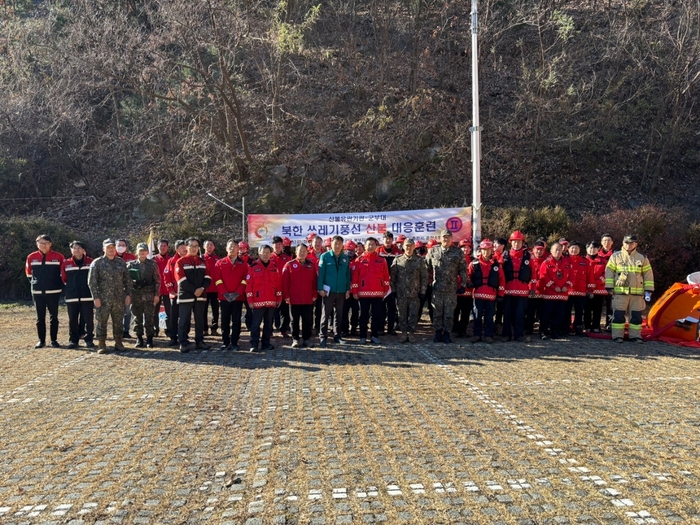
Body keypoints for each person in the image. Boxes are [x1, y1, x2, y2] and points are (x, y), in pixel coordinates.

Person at [605, 234, 654, 343]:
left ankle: (635, 336)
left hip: (637, 294)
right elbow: (609, 272)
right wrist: (609, 287)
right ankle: (618, 336)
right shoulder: (615, 256)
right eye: (626, 242)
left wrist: (648, 290)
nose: (628, 245)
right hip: (620, 293)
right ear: (623, 243)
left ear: (635, 244)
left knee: (636, 317)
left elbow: (648, 275)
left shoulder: (642, 258)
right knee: (618, 316)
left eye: (631, 243)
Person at [88, 238, 132, 353]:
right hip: (103, 299)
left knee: (118, 321)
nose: (111, 249)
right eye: (108, 247)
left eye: (112, 247)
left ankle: (118, 342)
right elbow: (92, 282)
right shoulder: (97, 263)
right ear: (104, 249)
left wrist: (128, 295)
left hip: (118, 298)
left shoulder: (121, 262)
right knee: (102, 321)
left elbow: (127, 280)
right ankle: (101, 344)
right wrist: (95, 297)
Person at [426, 229, 468, 343]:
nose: (446, 239)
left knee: (449, 313)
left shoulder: (458, 252)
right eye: (444, 237)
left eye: (448, 237)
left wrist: (463, 284)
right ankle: (438, 333)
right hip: (437, 289)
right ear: (440, 238)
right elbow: (426, 269)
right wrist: (426, 285)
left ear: (452, 239)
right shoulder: (433, 251)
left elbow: (463, 270)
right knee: (437, 312)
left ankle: (447, 334)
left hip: (451, 289)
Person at [26, 234, 65, 348]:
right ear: (37, 244)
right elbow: (28, 273)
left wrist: (59, 285)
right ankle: (41, 340)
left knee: (54, 317)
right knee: (40, 318)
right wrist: (35, 284)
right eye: (40, 243)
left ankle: (54, 340)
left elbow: (63, 273)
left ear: (50, 244)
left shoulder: (58, 256)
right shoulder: (31, 257)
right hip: (38, 292)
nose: (43, 245)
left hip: (54, 292)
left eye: (45, 243)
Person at [174, 237, 211, 353]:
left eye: (196, 246)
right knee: (184, 320)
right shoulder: (180, 262)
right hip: (186, 296)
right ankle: (183, 342)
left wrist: (202, 289)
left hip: (200, 295)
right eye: (192, 246)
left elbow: (208, 277)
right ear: (186, 247)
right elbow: (181, 280)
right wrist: (195, 290)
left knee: (200, 320)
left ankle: (199, 341)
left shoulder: (203, 261)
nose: (194, 248)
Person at [351, 237, 390, 344]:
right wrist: (354, 291)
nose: (371, 246)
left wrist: (385, 289)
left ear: (376, 246)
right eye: (369, 244)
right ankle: (363, 336)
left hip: (378, 293)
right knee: (363, 315)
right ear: (364, 246)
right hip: (363, 294)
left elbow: (386, 277)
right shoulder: (358, 260)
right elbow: (355, 278)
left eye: (373, 244)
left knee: (376, 315)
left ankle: (374, 335)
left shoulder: (382, 260)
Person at [390, 238, 429, 342]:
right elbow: (393, 278)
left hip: (414, 294)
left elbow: (424, 277)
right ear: (403, 247)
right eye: (407, 246)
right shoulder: (397, 260)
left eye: (411, 246)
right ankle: (403, 333)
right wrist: (393, 290)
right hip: (401, 293)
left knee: (413, 314)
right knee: (401, 314)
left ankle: (411, 333)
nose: (408, 248)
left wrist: (423, 291)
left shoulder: (419, 261)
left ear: (414, 247)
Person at [467, 239, 505, 343]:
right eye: (484, 250)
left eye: (488, 250)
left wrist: (500, 294)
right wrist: (469, 283)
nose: (486, 252)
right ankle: (477, 335)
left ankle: (489, 335)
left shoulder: (497, 265)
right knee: (477, 317)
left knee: (489, 317)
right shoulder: (474, 264)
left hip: (491, 297)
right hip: (478, 296)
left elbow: (502, 281)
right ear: (480, 250)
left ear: (492, 250)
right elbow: (467, 275)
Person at [213, 239, 248, 351]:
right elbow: (217, 280)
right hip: (224, 298)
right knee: (225, 320)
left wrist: (238, 292)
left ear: (238, 249)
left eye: (234, 246)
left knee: (236, 321)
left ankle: (234, 342)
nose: (232, 248)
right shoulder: (220, 263)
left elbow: (245, 280)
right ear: (226, 249)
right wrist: (225, 293)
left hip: (238, 298)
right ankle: (225, 342)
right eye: (230, 246)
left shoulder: (243, 264)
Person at [246, 244, 282, 352]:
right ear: (259, 253)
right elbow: (248, 286)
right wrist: (250, 300)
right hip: (258, 301)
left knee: (268, 324)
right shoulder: (253, 267)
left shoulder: (274, 268)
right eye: (263, 252)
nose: (265, 255)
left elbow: (278, 285)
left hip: (271, 301)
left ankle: (266, 343)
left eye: (267, 252)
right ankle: (254, 344)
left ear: (270, 254)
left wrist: (279, 298)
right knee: (256, 324)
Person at [318, 235, 352, 346]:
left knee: (339, 314)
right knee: (325, 314)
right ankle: (323, 337)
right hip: (328, 291)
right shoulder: (325, 256)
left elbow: (347, 275)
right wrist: (320, 288)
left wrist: (347, 289)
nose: (337, 246)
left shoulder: (345, 258)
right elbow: (321, 274)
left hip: (341, 290)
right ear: (331, 244)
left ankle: (337, 336)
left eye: (339, 244)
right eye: (335, 243)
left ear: (342, 245)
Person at [283, 242, 317, 348]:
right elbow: (285, 282)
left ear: (307, 252)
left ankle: (306, 339)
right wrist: (286, 296)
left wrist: (314, 294)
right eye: (299, 251)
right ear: (295, 252)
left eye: (304, 251)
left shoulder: (311, 265)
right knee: (294, 320)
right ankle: (296, 339)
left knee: (308, 319)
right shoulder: (289, 265)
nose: (302, 253)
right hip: (294, 298)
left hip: (307, 298)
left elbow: (314, 282)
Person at [127, 243, 161, 348]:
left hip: (149, 295)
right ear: (137, 252)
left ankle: (149, 338)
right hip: (136, 295)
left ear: (147, 252)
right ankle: (139, 338)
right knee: (137, 318)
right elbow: (126, 281)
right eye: (140, 251)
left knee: (149, 317)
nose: (142, 253)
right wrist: (133, 284)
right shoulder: (131, 265)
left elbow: (157, 281)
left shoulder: (152, 264)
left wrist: (157, 294)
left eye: (144, 251)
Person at [61, 241, 93, 349]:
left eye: (79, 248)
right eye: (74, 248)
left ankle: (89, 339)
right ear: (71, 250)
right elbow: (64, 279)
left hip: (87, 295)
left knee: (88, 319)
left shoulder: (91, 262)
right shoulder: (66, 263)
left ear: (83, 250)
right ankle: (73, 340)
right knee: (73, 319)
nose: (77, 250)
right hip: (72, 296)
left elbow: (93, 278)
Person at [501, 231, 532, 342]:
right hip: (508, 290)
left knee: (520, 314)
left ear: (522, 243)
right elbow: (499, 273)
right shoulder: (505, 255)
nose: (516, 244)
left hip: (522, 290)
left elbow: (533, 273)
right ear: (510, 243)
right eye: (514, 242)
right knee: (507, 314)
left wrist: (532, 288)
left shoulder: (528, 256)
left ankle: (519, 335)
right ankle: (506, 335)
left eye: (519, 242)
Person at [537, 242, 572, 340]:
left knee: (559, 315)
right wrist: (553, 286)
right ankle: (543, 331)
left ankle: (555, 332)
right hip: (549, 294)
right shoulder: (546, 263)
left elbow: (572, 277)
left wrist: (567, 286)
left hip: (562, 294)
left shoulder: (567, 263)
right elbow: (543, 277)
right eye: (555, 250)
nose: (558, 252)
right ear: (551, 251)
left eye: (560, 250)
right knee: (546, 314)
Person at [377, 231, 402, 335]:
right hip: (380, 285)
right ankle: (381, 328)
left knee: (392, 307)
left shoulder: (398, 252)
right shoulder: (378, 251)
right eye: (386, 239)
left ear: (392, 240)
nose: (388, 241)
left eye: (390, 239)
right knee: (381, 307)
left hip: (393, 285)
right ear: (382, 240)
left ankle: (391, 328)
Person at [164, 240, 187, 346]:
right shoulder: (171, 261)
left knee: (185, 316)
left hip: (186, 294)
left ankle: (184, 336)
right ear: (177, 249)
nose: (184, 249)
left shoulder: (189, 260)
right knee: (173, 317)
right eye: (182, 247)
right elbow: (166, 277)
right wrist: (171, 291)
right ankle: (173, 337)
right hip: (175, 294)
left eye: (185, 246)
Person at [271, 236, 293, 337]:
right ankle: (269, 329)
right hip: (271, 289)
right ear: (272, 246)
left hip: (284, 288)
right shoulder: (269, 257)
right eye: (275, 244)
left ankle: (283, 329)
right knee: (271, 311)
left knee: (285, 311)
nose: (277, 246)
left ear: (282, 245)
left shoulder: (287, 258)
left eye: (279, 244)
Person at [566, 241, 589, 336]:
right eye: (572, 248)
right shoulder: (565, 260)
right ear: (568, 249)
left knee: (579, 311)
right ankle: (566, 327)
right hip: (568, 291)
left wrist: (590, 289)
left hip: (581, 291)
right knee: (567, 310)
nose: (574, 250)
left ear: (579, 249)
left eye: (576, 248)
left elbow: (589, 276)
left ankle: (578, 327)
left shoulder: (585, 261)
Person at [525, 239, 547, 336]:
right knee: (530, 312)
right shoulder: (529, 260)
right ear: (533, 249)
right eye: (537, 249)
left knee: (543, 313)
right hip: (531, 291)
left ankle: (542, 331)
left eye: (541, 250)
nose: (539, 251)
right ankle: (528, 329)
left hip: (543, 291)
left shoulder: (547, 261)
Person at [116, 239, 137, 338]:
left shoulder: (131, 257)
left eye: (123, 245)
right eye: (119, 245)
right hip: (114, 288)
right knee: (116, 311)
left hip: (128, 288)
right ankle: (117, 330)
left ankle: (125, 330)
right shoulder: (111, 257)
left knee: (127, 311)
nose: (121, 246)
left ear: (126, 246)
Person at [452, 240, 474, 338]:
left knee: (466, 313)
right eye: (463, 247)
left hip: (468, 292)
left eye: (468, 247)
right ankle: (455, 330)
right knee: (455, 312)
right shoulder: (455, 260)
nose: (466, 249)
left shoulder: (474, 260)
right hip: (457, 291)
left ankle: (463, 330)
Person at [584, 241, 607, 332]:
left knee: (598, 309)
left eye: (594, 248)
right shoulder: (583, 261)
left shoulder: (604, 261)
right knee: (587, 309)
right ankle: (587, 326)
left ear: (598, 249)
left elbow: (606, 274)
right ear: (586, 249)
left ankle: (596, 326)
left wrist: (596, 282)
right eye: (590, 248)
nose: (592, 250)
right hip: (586, 289)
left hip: (599, 289)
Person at [341, 240, 360, 337]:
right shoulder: (341, 260)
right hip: (344, 290)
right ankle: (344, 329)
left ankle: (354, 328)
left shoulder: (358, 260)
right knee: (344, 311)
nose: (350, 252)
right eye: (348, 250)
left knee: (355, 311)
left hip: (355, 291)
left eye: (352, 250)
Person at [152, 239, 171, 337]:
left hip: (168, 290)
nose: (162, 247)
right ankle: (155, 329)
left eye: (164, 246)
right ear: (157, 247)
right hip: (156, 290)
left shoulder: (171, 260)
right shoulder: (153, 260)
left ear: (168, 247)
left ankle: (169, 329)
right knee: (155, 311)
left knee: (169, 311)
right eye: (161, 246)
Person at [203, 240, 221, 335]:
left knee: (215, 310)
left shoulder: (218, 259)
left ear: (214, 247)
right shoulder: (200, 259)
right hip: (204, 289)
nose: (209, 246)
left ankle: (214, 328)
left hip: (215, 289)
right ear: (204, 247)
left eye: (211, 244)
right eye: (207, 245)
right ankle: (204, 329)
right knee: (203, 310)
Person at [599, 233, 615, 329]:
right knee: (598, 306)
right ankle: (596, 323)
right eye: (605, 240)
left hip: (611, 284)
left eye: (609, 240)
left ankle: (609, 324)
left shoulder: (616, 254)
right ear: (601, 242)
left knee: (611, 306)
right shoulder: (597, 254)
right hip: (598, 285)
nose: (607, 242)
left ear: (612, 242)